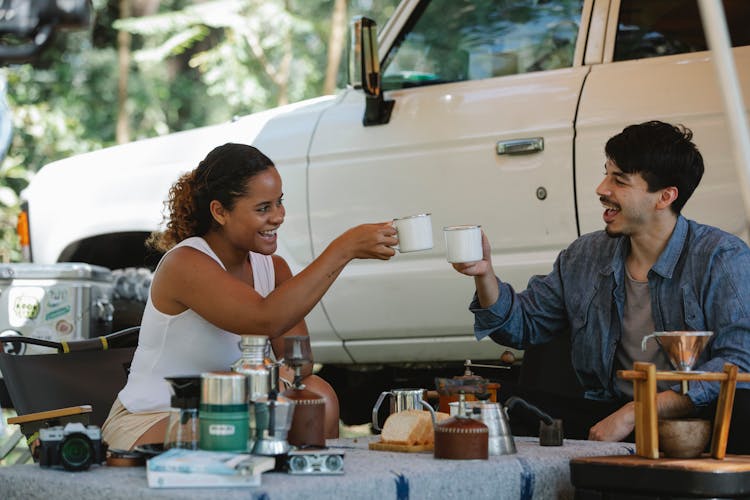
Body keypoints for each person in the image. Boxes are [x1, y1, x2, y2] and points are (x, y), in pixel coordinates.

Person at [453, 121, 750, 448]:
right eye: (606, 173)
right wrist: (485, 274)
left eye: (619, 180)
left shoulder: (720, 257)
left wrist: (638, 411)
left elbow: (739, 362)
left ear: (665, 197)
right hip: (605, 415)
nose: (601, 188)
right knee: (502, 404)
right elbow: (522, 327)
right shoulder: (585, 255)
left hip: (692, 421)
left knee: (742, 407)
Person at [102, 143, 397, 451]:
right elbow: (262, 318)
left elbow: (300, 362)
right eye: (263, 208)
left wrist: (266, 386)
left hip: (234, 414)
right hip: (156, 417)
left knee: (316, 394)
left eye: (279, 203)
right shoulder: (185, 264)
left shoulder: (274, 269)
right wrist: (343, 249)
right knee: (234, 426)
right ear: (220, 212)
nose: (278, 217)